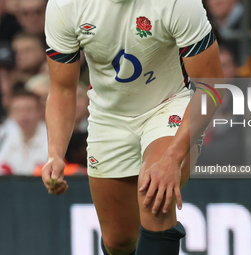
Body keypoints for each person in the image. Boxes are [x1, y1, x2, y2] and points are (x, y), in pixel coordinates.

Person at [42, 1, 224, 255]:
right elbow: (61, 89)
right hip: (109, 115)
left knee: (156, 197)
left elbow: (213, 86)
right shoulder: (66, 5)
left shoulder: (176, 3)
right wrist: (55, 153)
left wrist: (172, 158)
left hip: (168, 104)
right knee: (118, 241)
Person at [0, 90, 48, 175]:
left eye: (29, 109)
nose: (24, 115)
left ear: (39, 111)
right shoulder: (3, 137)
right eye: (18, 110)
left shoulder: (53, 139)